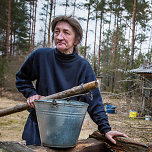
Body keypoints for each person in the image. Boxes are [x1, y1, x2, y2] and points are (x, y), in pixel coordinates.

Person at [16, 15, 127, 145]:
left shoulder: (83, 67)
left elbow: (94, 101)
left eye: (66, 32)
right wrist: (32, 94)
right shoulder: (41, 56)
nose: (59, 37)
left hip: (65, 131)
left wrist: (106, 129)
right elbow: (22, 78)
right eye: (56, 32)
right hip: (38, 125)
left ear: (76, 40)